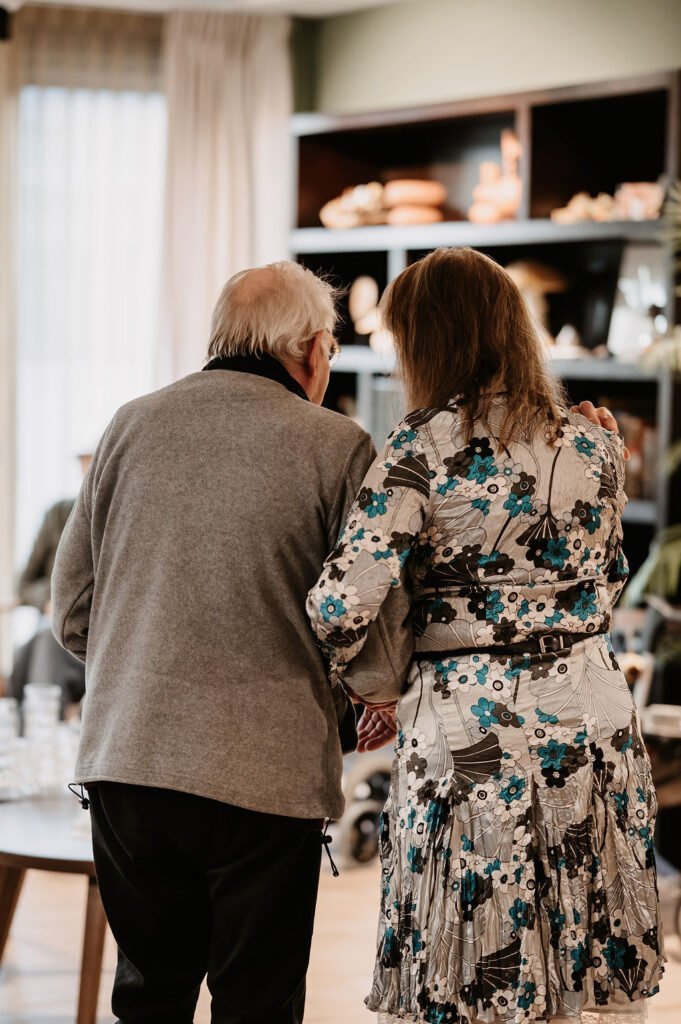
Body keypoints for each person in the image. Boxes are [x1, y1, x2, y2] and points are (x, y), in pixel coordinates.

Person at [308, 248, 663, 1024]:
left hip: (469, 725)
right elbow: (605, 583)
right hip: (591, 713)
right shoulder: (596, 442)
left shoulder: (420, 446)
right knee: (583, 949)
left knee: (471, 964)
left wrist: (362, 684)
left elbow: (341, 604)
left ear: (427, 340)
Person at [50, 261, 410, 1024]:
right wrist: (368, 696)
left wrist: (146, 660)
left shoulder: (129, 424)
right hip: (265, 777)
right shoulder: (337, 444)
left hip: (127, 764)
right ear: (310, 348)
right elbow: (372, 624)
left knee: (148, 998)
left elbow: (72, 611)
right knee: (256, 1006)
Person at [9, 453, 91, 717]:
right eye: (85, 462)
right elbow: (24, 584)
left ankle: (40, 724)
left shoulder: (122, 521)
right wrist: (49, 600)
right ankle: (41, 725)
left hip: (94, 640)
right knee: (33, 649)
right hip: (57, 627)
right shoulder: (57, 515)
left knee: (43, 645)